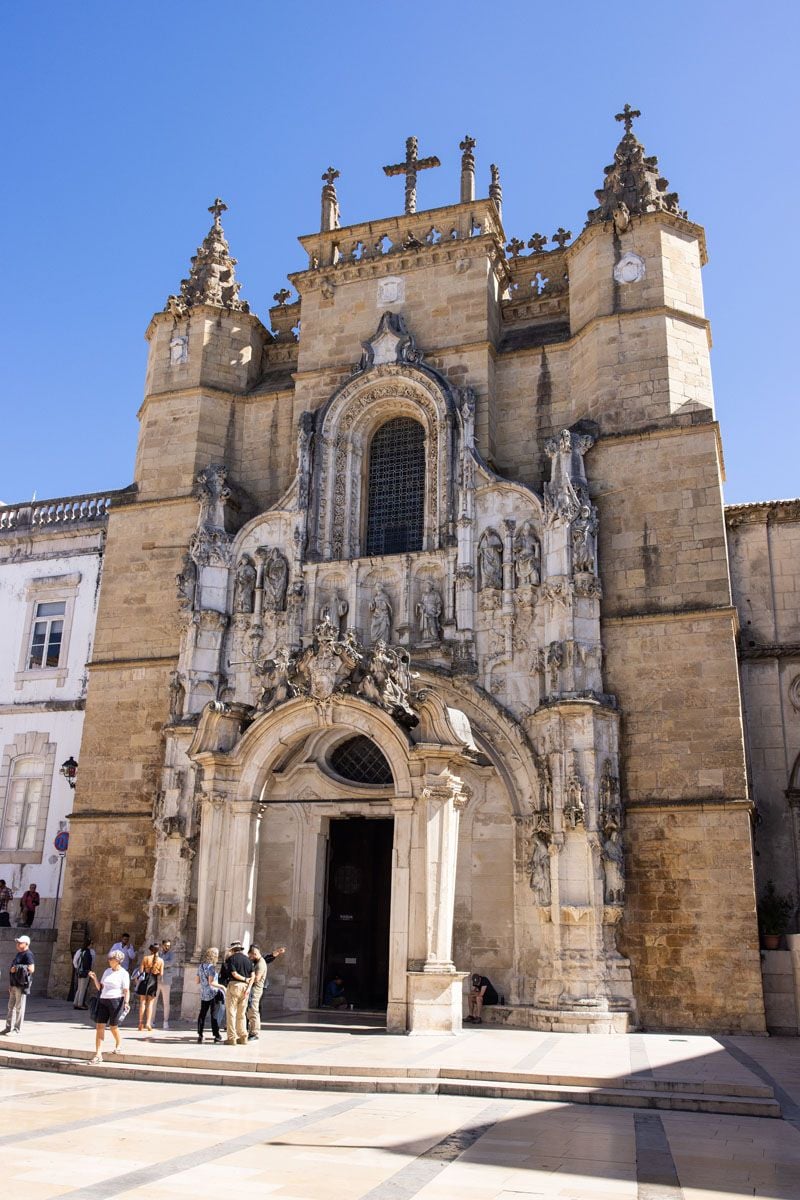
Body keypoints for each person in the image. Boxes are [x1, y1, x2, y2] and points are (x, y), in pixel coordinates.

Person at [87, 949, 130, 1063]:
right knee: (99, 1026)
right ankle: (98, 1053)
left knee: (113, 1026)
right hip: (103, 1000)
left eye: (111, 958)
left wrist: (126, 1002)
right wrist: (95, 978)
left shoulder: (123, 973)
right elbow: (101, 988)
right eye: (109, 958)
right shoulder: (107, 971)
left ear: (118, 960)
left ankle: (118, 1043)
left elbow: (126, 990)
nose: (109, 960)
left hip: (116, 1000)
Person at [246, 943, 286, 1040]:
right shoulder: (256, 960)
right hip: (253, 989)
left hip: (257, 989)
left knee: (254, 1009)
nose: (249, 958)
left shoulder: (261, 963)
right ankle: (249, 1029)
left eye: (250, 955)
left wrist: (245, 979)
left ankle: (254, 1032)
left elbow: (257, 978)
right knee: (250, 1009)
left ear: (254, 953)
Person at [219, 939, 253, 1045]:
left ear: (232, 950)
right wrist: (248, 987)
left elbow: (234, 974)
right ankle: (243, 1036)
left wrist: (243, 979)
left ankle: (232, 1037)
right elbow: (253, 976)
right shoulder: (248, 960)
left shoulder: (231, 959)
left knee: (231, 1012)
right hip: (246, 988)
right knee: (241, 1013)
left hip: (235, 985)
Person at [1, 935, 35, 1036]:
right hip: (14, 984)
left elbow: (31, 969)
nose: (18, 944)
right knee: (10, 1007)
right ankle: (8, 1027)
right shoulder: (19, 954)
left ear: (26, 944)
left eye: (20, 942)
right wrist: (11, 984)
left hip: (21, 984)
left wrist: (17, 968)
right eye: (18, 942)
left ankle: (17, 1029)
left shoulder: (28, 954)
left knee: (19, 1007)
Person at [196, 946, 223, 1044]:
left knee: (202, 1014)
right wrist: (222, 987)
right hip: (212, 993)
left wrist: (204, 984)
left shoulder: (201, 966)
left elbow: (197, 981)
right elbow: (211, 982)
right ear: (214, 956)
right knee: (214, 1014)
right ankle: (216, 1035)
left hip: (204, 993)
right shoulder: (211, 967)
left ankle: (200, 1034)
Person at [135, 943, 163, 1031]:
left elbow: (141, 971)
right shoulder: (161, 961)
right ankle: (148, 1023)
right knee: (150, 1004)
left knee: (142, 1002)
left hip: (145, 980)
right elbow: (161, 974)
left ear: (150, 950)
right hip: (153, 981)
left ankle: (140, 1023)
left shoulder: (145, 958)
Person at [155, 938, 175, 1029]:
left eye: (169, 946)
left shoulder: (172, 954)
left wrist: (160, 963)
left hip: (166, 980)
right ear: (162, 945)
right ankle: (151, 1021)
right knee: (153, 1001)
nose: (167, 947)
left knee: (166, 1002)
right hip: (157, 979)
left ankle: (165, 1021)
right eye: (166, 945)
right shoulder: (158, 953)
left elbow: (170, 963)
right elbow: (154, 963)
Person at [72, 939, 95, 1009]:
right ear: (89, 944)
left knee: (79, 988)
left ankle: (75, 1002)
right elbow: (92, 963)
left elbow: (74, 961)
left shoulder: (80, 951)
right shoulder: (92, 952)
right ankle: (80, 1004)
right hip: (87, 972)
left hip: (80, 972)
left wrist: (78, 969)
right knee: (83, 988)